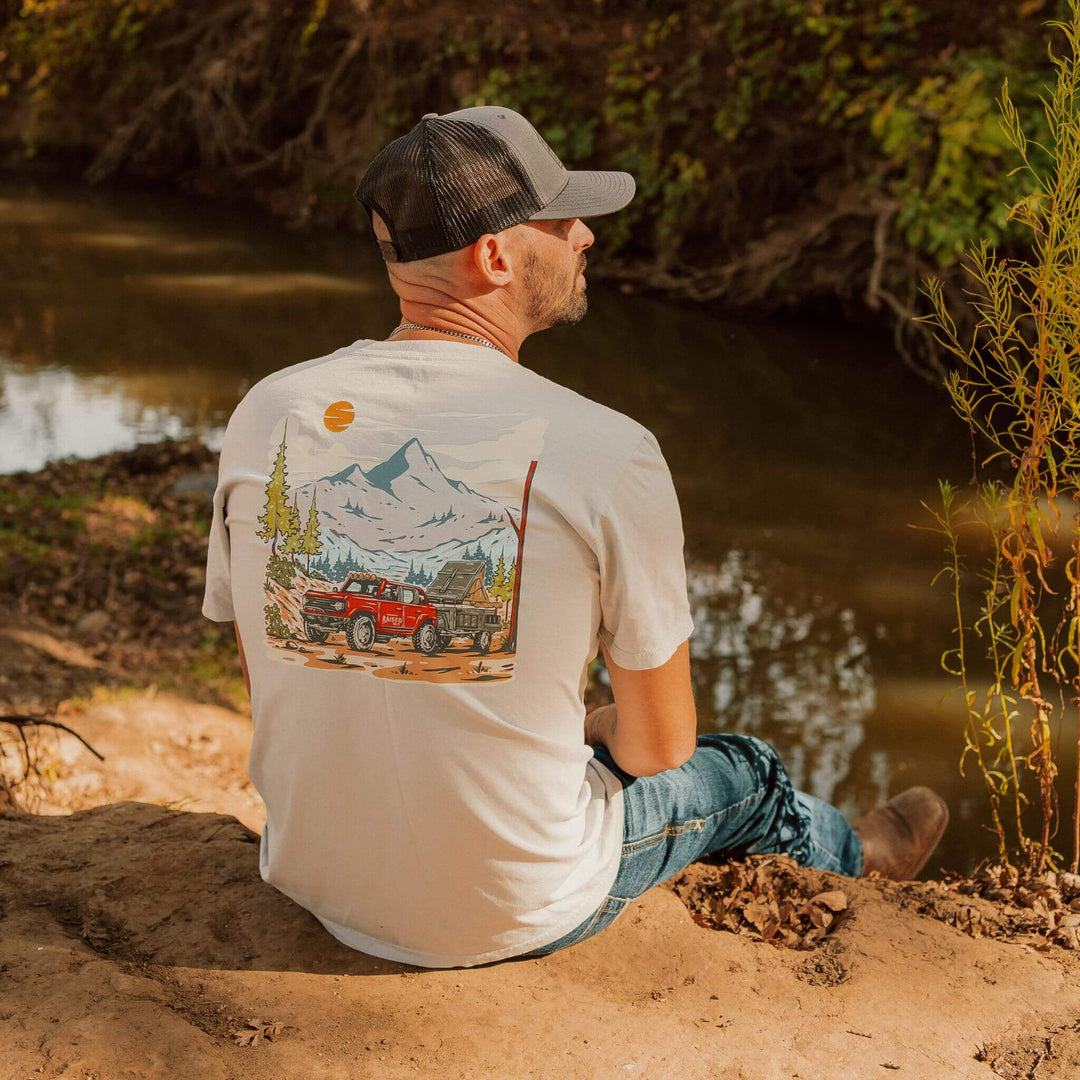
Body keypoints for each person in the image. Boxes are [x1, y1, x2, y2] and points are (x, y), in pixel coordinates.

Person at [202, 106, 948, 969]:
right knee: (739, 769)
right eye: (563, 219)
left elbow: (270, 669)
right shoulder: (607, 449)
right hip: (513, 907)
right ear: (495, 256)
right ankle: (856, 856)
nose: (587, 236)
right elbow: (659, 749)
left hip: (311, 874)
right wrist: (592, 723)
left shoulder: (268, 409)